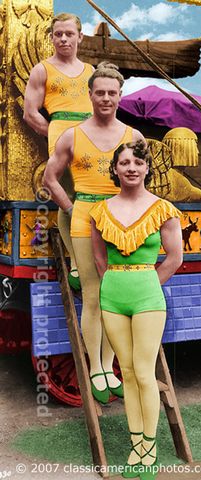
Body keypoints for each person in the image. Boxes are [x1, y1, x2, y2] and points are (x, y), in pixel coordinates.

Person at [43, 63, 145, 403]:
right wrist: (71, 209)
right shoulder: (72, 135)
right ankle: (95, 370)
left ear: (120, 95)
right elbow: (50, 179)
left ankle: (109, 363)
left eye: (111, 93)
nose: (105, 98)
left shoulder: (134, 137)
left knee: (119, 297)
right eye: (99, 92)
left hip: (122, 221)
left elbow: (143, 183)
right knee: (92, 295)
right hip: (85, 217)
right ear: (89, 95)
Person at [90, 140, 183, 478]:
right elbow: (99, 258)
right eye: (124, 162)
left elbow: (174, 258)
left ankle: (149, 447)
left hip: (147, 296)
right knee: (126, 373)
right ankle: (135, 445)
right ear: (115, 169)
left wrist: (145, 284)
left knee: (144, 373)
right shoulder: (100, 210)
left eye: (137, 163)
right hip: (112, 296)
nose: (131, 168)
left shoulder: (163, 209)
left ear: (146, 168)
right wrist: (114, 283)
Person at [24, 12, 93, 289]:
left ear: (80, 36)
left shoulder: (90, 71)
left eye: (68, 33)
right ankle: (76, 262)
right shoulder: (43, 69)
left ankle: (98, 257)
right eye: (58, 34)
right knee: (69, 199)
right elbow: (31, 114)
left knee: (95, 196)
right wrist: (56, 132)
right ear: (52, 37)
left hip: (92, 138)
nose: (63, 39)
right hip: (63, 136)